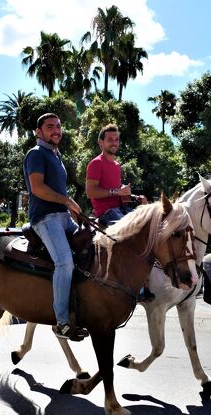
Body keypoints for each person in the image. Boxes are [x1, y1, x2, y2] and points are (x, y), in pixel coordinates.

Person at [23, 113, 88, 341]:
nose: (56, 130)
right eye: (50, 127)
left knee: (92, 244)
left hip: (62, 216)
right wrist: (67, 201)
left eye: (59, 126)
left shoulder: (55, 155)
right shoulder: (36, 154)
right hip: (46, 218)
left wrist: (71, 208)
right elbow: (38, 189)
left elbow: (58, 192)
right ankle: (61, 322)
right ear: (39, 132)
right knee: (65, 262)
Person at [85, 124, 155, 302]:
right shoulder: (96, 163)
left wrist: (134, 197)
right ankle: (134, 286)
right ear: (101, 143)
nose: (114, 143)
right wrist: (118, 192)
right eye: (110, 139)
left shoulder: (116, 165)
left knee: (151, 227)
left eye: (116, 139)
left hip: (120, 209)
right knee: (135, 237)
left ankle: (147, 282)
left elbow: (116, 192)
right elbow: (90, 192)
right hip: (106, 213)